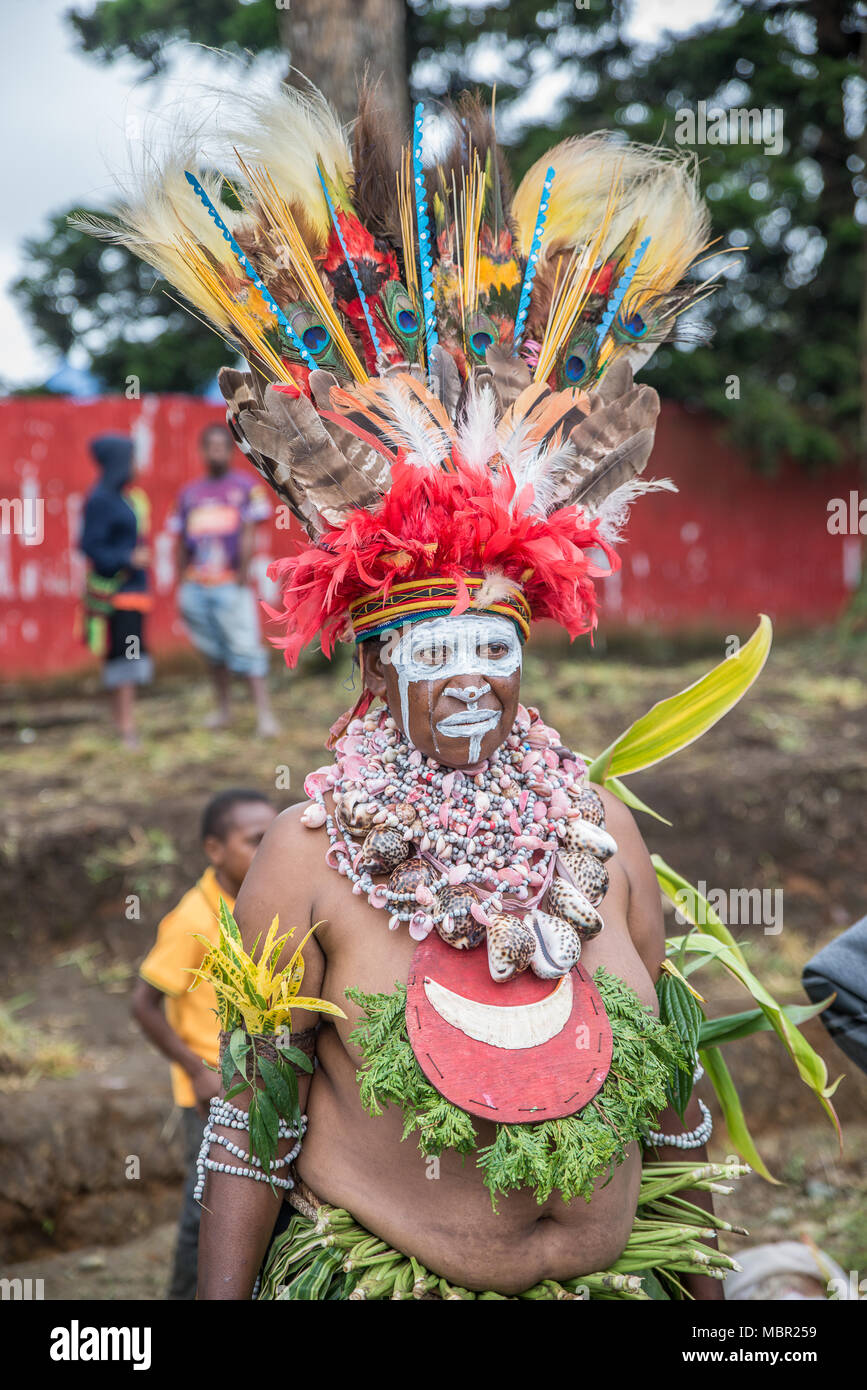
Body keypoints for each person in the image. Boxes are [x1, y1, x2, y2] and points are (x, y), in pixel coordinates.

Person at [87, 76, 824, 1304]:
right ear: (378, 667)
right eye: (440, 658)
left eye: (498, 651)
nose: (475, 682)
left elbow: (678, 1102)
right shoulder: (306, 855)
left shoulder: (600, 828)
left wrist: (711, 1313)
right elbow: (250, 1123)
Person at [131, 789, 277, 1299]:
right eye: (254, 841)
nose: (268, 851)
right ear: (214, 849)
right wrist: (195, 1070)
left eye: (272, 838)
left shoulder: (264, 903)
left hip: (258, 1084)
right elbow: (143, 1005)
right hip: (214, 1089)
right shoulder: (194, 919)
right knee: (209, 1206)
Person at [171, 424, 279, 738]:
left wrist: (242, 577)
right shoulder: (189, 493)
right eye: (211, 446)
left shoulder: (246, 488)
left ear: (230, 451)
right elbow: (180, 541)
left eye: (222, 446)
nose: (216, 452)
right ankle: (224, 710)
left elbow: (249, 532)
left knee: (246, 648)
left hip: (231, 584)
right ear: (202, 451)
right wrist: (181, 584)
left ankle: (265, 716)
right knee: (213, 653)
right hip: (197, 585)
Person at [79, 433, 153, 747]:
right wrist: (127, 558)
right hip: (117, 592)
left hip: (133, 590)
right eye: (132, 458)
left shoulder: (125, 497)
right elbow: (89, 545)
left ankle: (122, 722)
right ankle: (126, 728)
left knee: (128, 655)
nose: (136, 465)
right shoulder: (100, 500)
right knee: (124, 656)